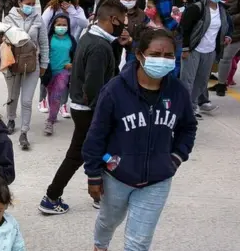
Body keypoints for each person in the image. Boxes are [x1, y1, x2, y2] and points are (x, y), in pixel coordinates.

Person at [82, 29, 197, 251]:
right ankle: (100, 246)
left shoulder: (178, 92)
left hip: (157, 180)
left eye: (168, 56)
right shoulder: (114, 90)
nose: (162, 60)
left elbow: (188, 127)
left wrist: (176, 157)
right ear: (140, 54)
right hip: (117, 176)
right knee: (108, 221)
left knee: (139, 242)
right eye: (155, 54)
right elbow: (96, 135)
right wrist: (93, 175)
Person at [38, 0, 129, 215]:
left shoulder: (91, 37)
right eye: (122, 22)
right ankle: (53, 197)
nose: (123, 27)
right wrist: (106, 115)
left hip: (83, 107)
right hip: (89, 110)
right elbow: (94, 86)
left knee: (93, 153)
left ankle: (92, 195)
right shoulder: (99, 47)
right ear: (113, 19)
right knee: (82, 154)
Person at [2, 0, 49, 147]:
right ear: (19, 2)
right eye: (28, 3)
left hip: (32, 64)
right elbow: (4, 41)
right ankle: (10, 119)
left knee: (27, 100)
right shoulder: (9, 19)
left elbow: (43, 43)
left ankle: (24, 131)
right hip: (13, 64)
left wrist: (44, 64)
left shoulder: (38, 19)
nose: (31, 6)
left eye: (33, 3)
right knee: (12, 96)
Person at [181, 0, 231, 117]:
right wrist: (185, 48)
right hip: (193, 49)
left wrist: (227, 37)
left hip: (210, 50)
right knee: (188, 80)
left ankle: (193, 104)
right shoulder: (197, 8)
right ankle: (186, 109)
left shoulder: (223, 10)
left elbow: (228, 27)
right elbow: (184, 29)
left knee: (202, 81)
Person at [43, 14, 77, 136]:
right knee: (51, 94)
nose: (61, 27)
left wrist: (72, 64)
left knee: (57, 95)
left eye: (64, 25)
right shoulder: (48, 38)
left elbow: (76, 55)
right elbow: (42, 53)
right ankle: (54, 113)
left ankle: (50, 121)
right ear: (53, 25)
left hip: (63, 72)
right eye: (59, 25)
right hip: (49, 71)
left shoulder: (71, 40)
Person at [211, 0, 240, 97]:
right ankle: (222, 83)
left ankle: (222, 85)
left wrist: (226, 18)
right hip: (234, 32)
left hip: (237, 33)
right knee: (225, 58)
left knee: (226, 58)